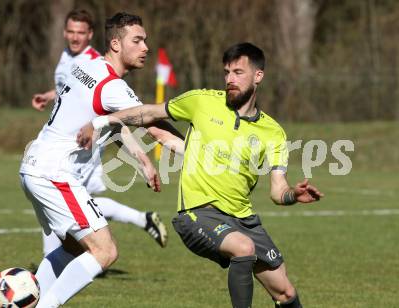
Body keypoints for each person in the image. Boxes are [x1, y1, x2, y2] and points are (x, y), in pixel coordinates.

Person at [78, 42, 324, 308]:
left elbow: (278, 190)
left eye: (238, 72)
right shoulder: (202, 101)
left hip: (244, 220)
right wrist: (101, 121)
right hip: (198, 214)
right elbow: (149, 112)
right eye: (227, 72)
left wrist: (292, 195)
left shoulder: (273, 132)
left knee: (285, 292)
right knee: (243, 249)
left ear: (258, 76)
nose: (230, 79)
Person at [20, 12, 169, 307]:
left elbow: (115, 119)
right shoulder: (113, 85)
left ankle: (30, 298)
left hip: (34, 166)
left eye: (145, 41)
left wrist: (142, 158)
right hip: (56, 172)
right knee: (105, 252)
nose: (146, 48)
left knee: (73, 248)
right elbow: (156, 128)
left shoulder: (85, 65)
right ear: (116, 43)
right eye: (137, 41)